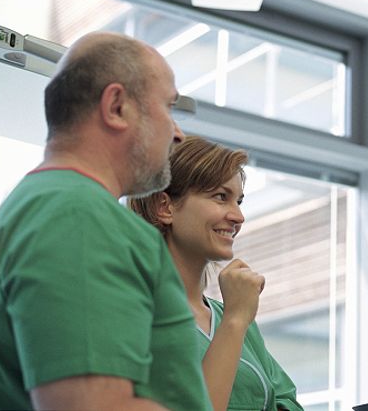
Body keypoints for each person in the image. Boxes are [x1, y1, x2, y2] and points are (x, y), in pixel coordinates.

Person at [0, 31, 211, 410]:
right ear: (117, 107)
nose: (178, 133)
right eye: (169, 107)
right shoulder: (78, 216)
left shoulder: (51, 206)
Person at [130, 136, 303, 411]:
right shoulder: (135, 312)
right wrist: (234, 322)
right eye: (221, 197)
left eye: (239, 201)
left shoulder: (230, 314)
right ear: (165, 207)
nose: (238, 217)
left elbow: (286, 401)